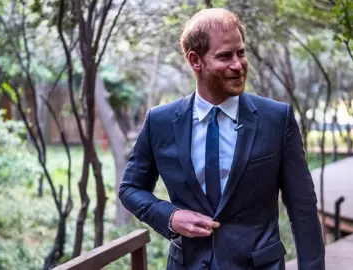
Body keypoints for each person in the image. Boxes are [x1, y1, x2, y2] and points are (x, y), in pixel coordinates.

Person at [119, 7, 325, 270]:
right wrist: (171, 217)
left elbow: (303, 208)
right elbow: (130, 189)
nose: (238, 65)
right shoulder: (159, 122)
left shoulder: (277, 118)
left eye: (241, 53)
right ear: (196, 61)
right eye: (225, 56)